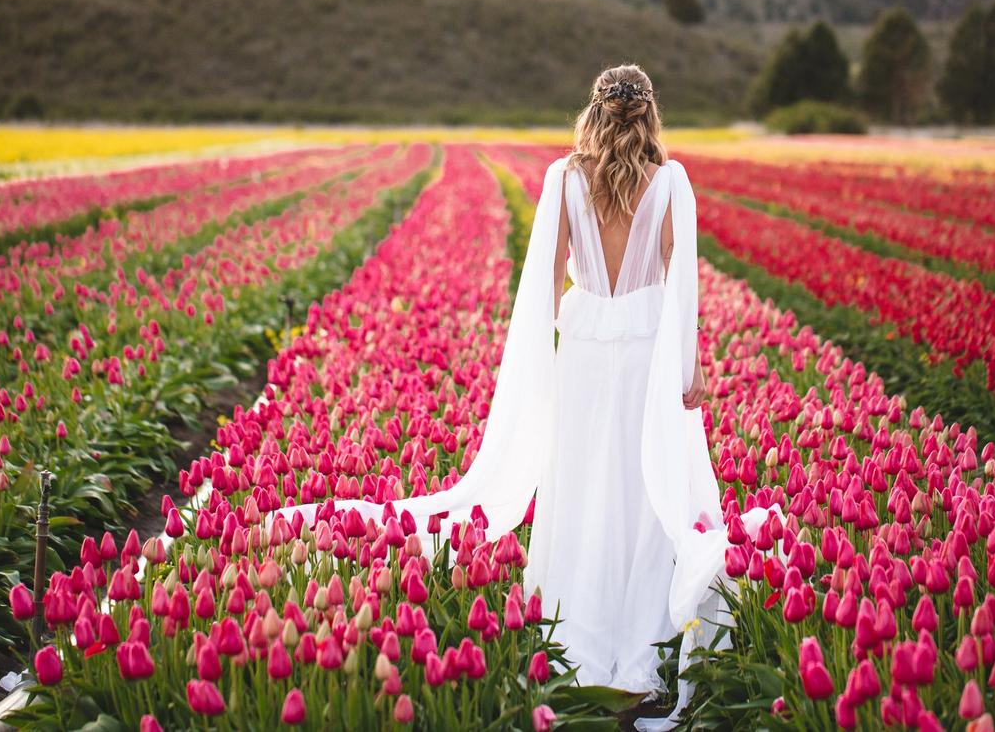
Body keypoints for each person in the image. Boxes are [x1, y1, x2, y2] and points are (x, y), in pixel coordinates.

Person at [277, 64, 780, 731]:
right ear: (651, 113)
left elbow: (544, 281)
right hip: (648, 355)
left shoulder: (563, 179)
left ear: (594, 111)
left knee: (579, 485)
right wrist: (688, 369)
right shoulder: (671, 184)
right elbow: (680, 283)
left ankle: (571, 634)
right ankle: (644, 641)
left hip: (583, 350)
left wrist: (536, 365)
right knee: (647, 489)